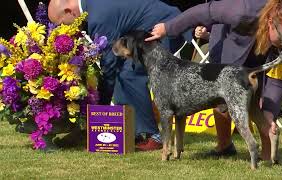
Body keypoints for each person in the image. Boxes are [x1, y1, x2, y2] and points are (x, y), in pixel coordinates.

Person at [146, 0, 282, 160]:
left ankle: (268, 156)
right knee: (219, 96)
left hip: (261, 56)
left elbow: (277, 82)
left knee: (261, 107)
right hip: (228, 44)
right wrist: (168, 28)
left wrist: (270, 114)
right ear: (271, 23)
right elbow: (204, 11)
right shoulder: (243, 10)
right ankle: (224, 145)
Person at [48, 0, 190, 151]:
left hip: (165, 26)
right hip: (146, 28)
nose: (63, 29)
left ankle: (152, 136)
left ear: (69, 11)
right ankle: (129, 130)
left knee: (129, 74)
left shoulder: (98, 16)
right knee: (122, 74)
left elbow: (109, 62)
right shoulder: (92, 7)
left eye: (61, 24)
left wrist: (101, 105)